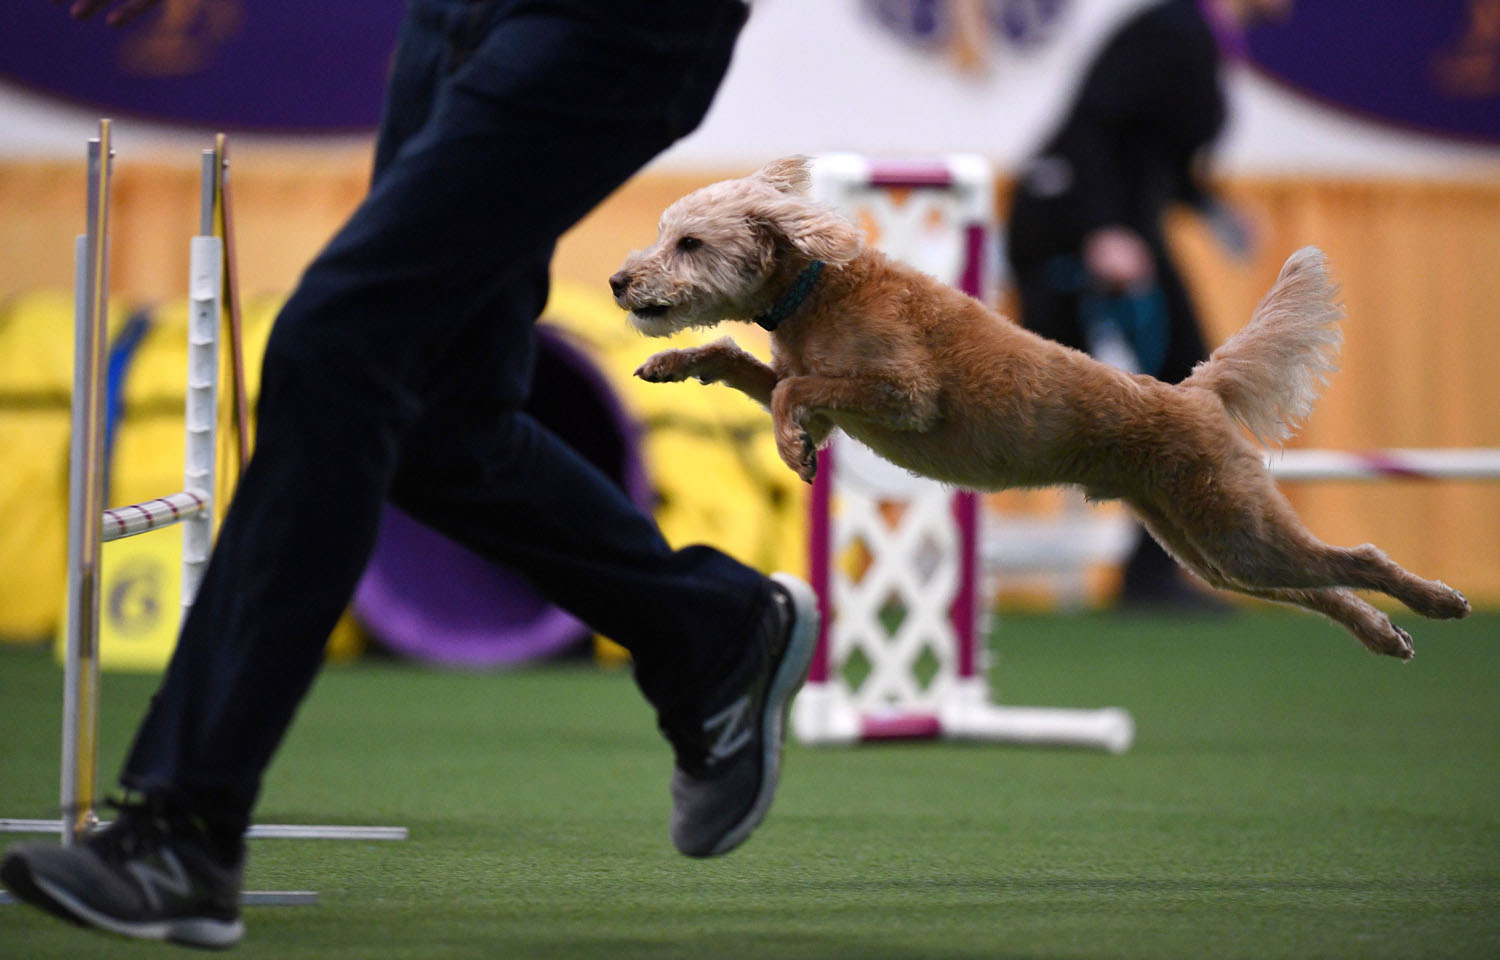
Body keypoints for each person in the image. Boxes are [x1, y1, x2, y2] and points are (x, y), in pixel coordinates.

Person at [2, 0, 821, 948]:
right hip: (461, 19)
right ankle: (712, 635)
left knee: (337, 346)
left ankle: (186, 827)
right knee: (436, 412)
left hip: (604, 27)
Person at [1004, 0, 1289, 609]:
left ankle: (1153, 567)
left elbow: (1156, 155)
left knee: (1181, 389)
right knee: (1168, 389)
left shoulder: (1199, 38)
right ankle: (1151, 569)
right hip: (1075, 226)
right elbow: (1093, 126)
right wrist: (1101, 227)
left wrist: (1215, 210)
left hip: (1118, 225)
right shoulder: (1170, 30)